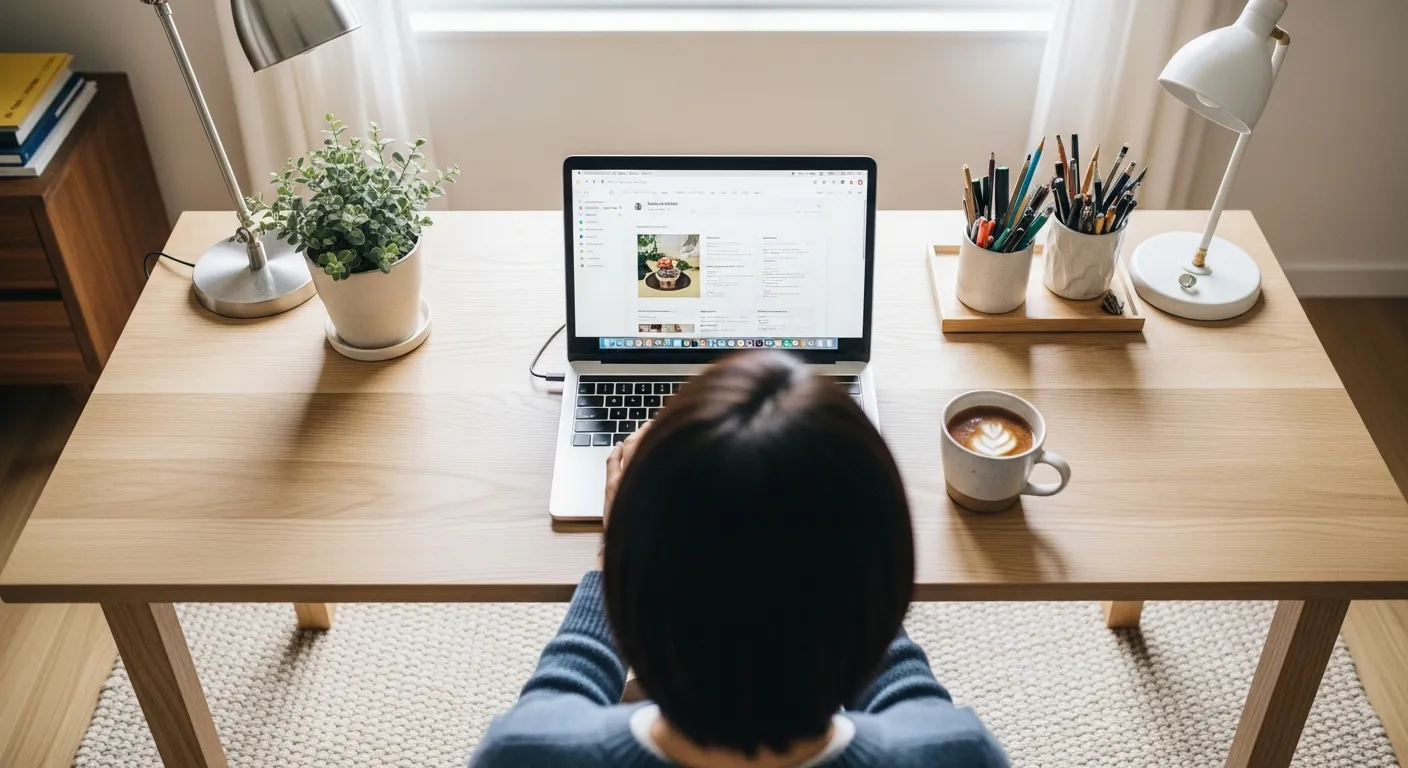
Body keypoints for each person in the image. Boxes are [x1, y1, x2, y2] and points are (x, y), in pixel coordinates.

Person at [471, 352, 1007, 767]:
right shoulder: (956, 753)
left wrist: (617, 551)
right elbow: (913, 703)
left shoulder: (525, 754)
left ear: (632, 615)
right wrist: (847, 555)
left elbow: (555, 700)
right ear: (889, 594)